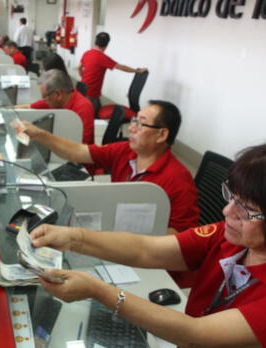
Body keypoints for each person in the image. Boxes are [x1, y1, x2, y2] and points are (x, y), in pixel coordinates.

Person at [32, 138, 266, 348]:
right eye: (232, 197)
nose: (228, 211)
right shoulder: (236, 238)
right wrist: (74, 238)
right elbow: (146, 249)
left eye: (247, 209)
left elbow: (195, 335)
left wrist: (96, 290)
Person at [16, 100, 198, 234]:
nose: (132, 128)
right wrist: (41, 135)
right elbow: (78, 152)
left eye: (141, 124)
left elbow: (181, 236)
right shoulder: (125, 151)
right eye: (134, 120)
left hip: (148, 258)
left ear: (161, 135)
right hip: (116, 236)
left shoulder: (178, 179)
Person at [16, 69, 94, 145]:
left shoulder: (83, 108)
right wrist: (7, 110)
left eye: (45, 97)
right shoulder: (54, 99)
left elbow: (81, 145)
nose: (44, 101)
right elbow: (28, 107)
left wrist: (43, 136)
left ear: (58, 94)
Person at [78, 32, 147, 112]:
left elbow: (79, 67)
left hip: (82, 88)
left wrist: (83, 77)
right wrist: (137, 71)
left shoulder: (87, 53)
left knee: (95, 111)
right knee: (91, 115)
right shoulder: (103, 58)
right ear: (107, 45)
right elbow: (121, 67)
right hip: (91, 92)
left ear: (95, 42)